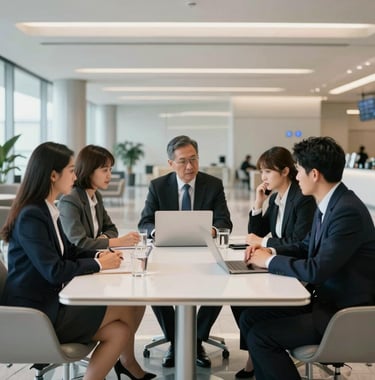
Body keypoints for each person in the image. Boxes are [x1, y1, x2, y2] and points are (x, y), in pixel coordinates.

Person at [0, 142, 155, 380]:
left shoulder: (46, 209)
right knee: (125, 306)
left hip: (51, 301)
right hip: (37, 312)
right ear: (53, 175)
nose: (76, 175)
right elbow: (54, 270)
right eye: (71, 170)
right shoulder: (32, 215)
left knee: (119, 331)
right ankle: (128, 365)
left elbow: (69, 251)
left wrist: (98, 255)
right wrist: (101, 264)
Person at [237, 136, 375, 380]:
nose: (296, 176)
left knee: (261, 337)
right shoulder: (331, 204)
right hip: (326, 303)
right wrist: (271, 252)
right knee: (250, 318)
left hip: (342, 314)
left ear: (314, 174)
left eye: (299, 170)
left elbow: (316, 270)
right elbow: (304, 245)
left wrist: (267, 262)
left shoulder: (346, 212)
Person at [138, 135, 233, 368]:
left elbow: (225, 222)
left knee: (221, 282)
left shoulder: (212, 184)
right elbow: (145, 223)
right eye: (182, 161)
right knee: (153, 286)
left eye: (194, 159)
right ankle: (175, 341)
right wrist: (155, 233)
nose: (189, 166)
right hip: (168, 251)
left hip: (203, 251)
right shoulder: (158, 186)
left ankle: (196, 339)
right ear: (170, 163)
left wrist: (211, 230)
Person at [232, 146, 316, 379]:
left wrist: (265, 243)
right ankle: (254, 358)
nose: (264, 177)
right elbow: (255, 234)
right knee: (238, 301)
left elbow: (299, 240)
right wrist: (258, 203)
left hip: (292, 270)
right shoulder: (278, 199)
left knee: (249, 308)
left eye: (268, 172)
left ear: (286, 171)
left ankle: (258, 360)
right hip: (276, 264)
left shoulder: (301, 199)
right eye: (262, 172)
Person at [58, 144, 140, 250]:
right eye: (105, 170)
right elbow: (79, 242)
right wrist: (118, 242)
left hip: (95, 255)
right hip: (77, 262)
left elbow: (111, 229)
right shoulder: (70, 200)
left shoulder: (96, 196)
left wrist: (103, 239)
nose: (109, 175)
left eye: (110, 169)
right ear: (89, 171)